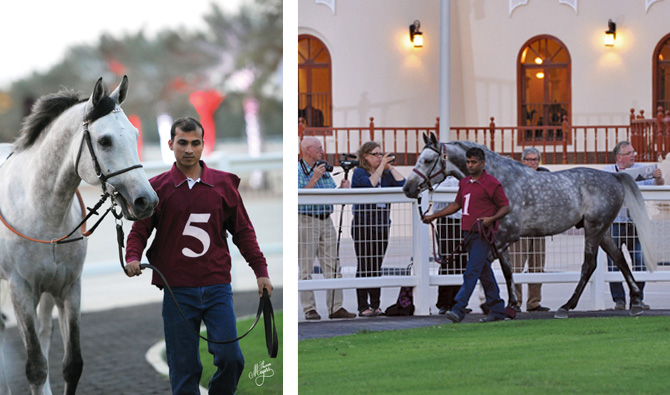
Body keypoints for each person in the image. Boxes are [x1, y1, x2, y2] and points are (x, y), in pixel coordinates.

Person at [124, 117, 273, 395]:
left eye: (195, 143)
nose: (189, 149)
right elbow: (138, 232)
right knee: (184, 369)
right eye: (182, 143)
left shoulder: (223, 184)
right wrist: (133, 256)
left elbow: (243, 232)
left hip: (217, 287)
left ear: (203, 145)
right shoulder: (157, 188)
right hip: (178, 290)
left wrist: (260, 271)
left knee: (232, 359)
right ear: (171, 144)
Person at [422, 147, 511, 323]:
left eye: (473, 162)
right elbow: (456, 205)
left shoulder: (492, 183)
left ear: (482, 163)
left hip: (482, 234)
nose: (470, 165)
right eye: (468, 162)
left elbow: (506, 206)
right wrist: (433, 216)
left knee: (471, 272)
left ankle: (458, 308)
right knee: (484, 272)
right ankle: (498, 309)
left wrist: (491, 219)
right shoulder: (465, 183)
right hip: (467, 233)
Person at [298, 136, 357, 320]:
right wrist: (314, 178)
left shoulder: (322, 169)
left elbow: (330, 193)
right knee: (306, 266)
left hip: (326, 219)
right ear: (307, 150)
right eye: (318, 149)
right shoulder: (297, 170)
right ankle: (309, 309)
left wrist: (341, 188)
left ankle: (335, 307)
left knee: (333, 265)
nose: (322, 152)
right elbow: (299, 196)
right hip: (306, 220)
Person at [602, 141, 664, 310]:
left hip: (636, 223)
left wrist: (659, 178)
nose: (633, 155)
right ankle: (619, 300)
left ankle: (637, 297)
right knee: (613, 263)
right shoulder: (606, 172)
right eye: (629, 153)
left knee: (640, 260)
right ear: (619, 157)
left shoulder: (642, 171)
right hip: (615, 222)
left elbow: (657, 187)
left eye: (633, 152)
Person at [351, 141, 406, 317]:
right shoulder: (359, 172)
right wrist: (381, 167)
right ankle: (363, 306)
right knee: (364, 264)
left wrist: (389, 167)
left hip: (382, 225)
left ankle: (376, 305)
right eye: (375, 154)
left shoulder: (385, 173)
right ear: (365, 156)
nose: (379, 157)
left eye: (380, 154)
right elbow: (369, 186)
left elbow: (403, 184)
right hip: (364, 224)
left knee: (376, 265)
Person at [508, 147, 551, 312]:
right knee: (516, 266)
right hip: (520, 228)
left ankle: (534, 302)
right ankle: (516, 301)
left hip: (540, 226)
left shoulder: (545, 175)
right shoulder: (515, 176)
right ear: (523, 161)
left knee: (538, 265)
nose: (533, 163)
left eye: (535, 159)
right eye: (529, 159)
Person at [433, 177, 469, 315]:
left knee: (462, 262)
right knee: (448, 261)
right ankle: (444, 302)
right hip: (447, 221)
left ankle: (458, 301)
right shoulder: (443, 179)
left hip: (463, 221)